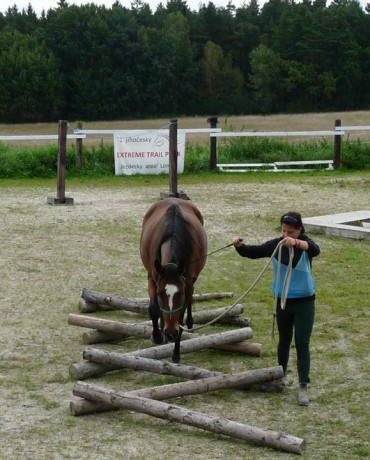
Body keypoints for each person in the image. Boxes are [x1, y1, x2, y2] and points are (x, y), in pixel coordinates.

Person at [232, 211, 320, 406]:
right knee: (284, 340)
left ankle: (303, 385)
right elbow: (253, 252)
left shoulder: (305, 244)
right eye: (283, 231)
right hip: (283, 302)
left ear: (300, 230)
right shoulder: (276, 245)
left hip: (305, 302)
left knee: (302, 342)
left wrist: (296, 243)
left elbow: (315, 248)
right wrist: (239, 246)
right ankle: (280, 374)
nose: (286, 235)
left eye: (291, 232)